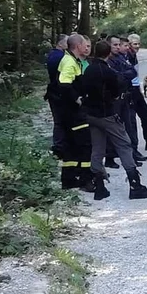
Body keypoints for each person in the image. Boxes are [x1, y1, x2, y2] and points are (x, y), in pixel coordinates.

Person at [81, 40, 147, 201]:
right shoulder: (106, 71)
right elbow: (117, 90)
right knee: (124, 145)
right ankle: (135, 185)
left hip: (91, 115)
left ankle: (99, 187)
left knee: (97, 149)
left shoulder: (88, 69)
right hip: (107, 114)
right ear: (108, 53)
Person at [56, 34, 94, 191]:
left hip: (67, 112)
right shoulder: (70, 62)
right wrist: (77, 98)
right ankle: (86, 179)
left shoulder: (71, 60)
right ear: (77, 46)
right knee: (85, 145)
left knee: (71, 146)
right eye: (84, 45)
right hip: (74, 113)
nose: (86, 47)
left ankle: (69, 179)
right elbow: (64, 85)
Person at [107, 35, 147, 166]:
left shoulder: (121, 58)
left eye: (119, 45)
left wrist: (123, 75)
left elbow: (132, 72)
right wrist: (123, 75)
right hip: (115, 99)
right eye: (115, 45)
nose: (118, 47)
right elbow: (115, 78)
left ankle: (132, 155)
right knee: (115, 129)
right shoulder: (108, 60)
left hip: (127, 96)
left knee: (130, 126)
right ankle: (110, 157)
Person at [45, 34, 68, 155]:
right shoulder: (59, 57)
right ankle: (59, 147)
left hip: (54, 92)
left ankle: (60, 145)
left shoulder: (53, 54)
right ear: (60, 43)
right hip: (57, 92)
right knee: (60, 121)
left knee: (59, 121)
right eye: (66, 41)